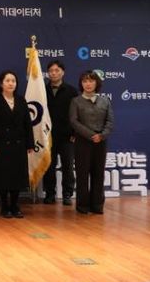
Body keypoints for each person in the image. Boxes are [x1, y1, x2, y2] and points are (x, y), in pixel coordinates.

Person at [0, 70, 35, 219]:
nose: (11, 83)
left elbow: (27, 124)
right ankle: (4, 206)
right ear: (1, 83)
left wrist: (30, 144)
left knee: (17, 176)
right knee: (3, 177)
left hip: (19, 144)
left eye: (13, 81)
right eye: (7, 81)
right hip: (1, 145)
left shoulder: (21, 100)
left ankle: (14, 205)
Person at [69, 70, 114, 215]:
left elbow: (110, 121)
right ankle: (83, 206)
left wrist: (102, 135)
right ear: (81, 84)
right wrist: (91, 135)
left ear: (96, 83)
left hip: (100, 142)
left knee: (98, 173)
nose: (88, 84)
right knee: (82, 174)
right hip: (83, 142)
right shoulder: (76, 101)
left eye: (91, 81)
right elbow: (74, 121)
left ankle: (97, 205)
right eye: (85, 81)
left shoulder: (105, 101)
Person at [43, 60, 78, 205]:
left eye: (57, 70)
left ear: (63, 72)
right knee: (48, 166)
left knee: (68, 166)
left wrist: (74, 133)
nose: (53, 73)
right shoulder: (42, 90)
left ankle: (67, 194)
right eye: (51, 71)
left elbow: (76, 114)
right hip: (47, 136)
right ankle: (49, 194)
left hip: (67, 136)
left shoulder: (71, 91)